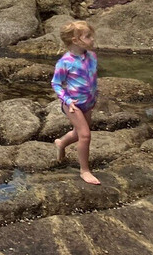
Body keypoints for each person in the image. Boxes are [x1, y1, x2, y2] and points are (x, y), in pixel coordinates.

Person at [52, 20, 101, 185]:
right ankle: (84, 170)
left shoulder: (92, 56)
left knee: (78, 133)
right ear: (75, 40)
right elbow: (56, 83)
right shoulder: (65, 62)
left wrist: (94, 97)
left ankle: (61, 143)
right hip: (72, 104)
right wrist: (66, 99)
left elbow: (91, 79)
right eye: (88, 36)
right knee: (85, 135)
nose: (92, 39)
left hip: (88, 102)